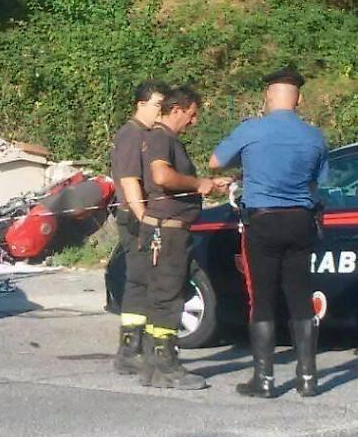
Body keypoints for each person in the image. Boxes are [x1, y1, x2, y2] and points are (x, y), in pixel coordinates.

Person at [210, 68, 330, 398]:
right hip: (300, 220)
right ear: (299, 99)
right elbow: (319, 179)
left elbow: (215, 161)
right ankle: (308, 378)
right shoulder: (314, 136)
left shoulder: (251, 129)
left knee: (261, 298)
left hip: (262, 221)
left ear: (267, 95)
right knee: (299, 296)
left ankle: (264, 380)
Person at [140, 86, 229, 390]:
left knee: (161, 296)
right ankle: (166, 365)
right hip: (168, 231)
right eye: (192, 115)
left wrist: (206, 184)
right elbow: (162, 177)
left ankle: (153, 365)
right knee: (169, 297)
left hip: (165, 230)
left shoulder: (163, 139)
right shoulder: (161, 138)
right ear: (177, 109)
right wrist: (197, 181)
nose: (193, 122)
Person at [110, 79, 170, 374]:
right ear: (141, 104)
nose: (162, 111)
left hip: (143, 216)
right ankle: (129, 351)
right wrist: (144, 217)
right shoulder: (131, 135)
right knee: (138, 282)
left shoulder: (149, 135)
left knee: (147, 281)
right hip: (135, 218)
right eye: (158, 105)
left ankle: (140, 347)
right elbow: (129, 180)